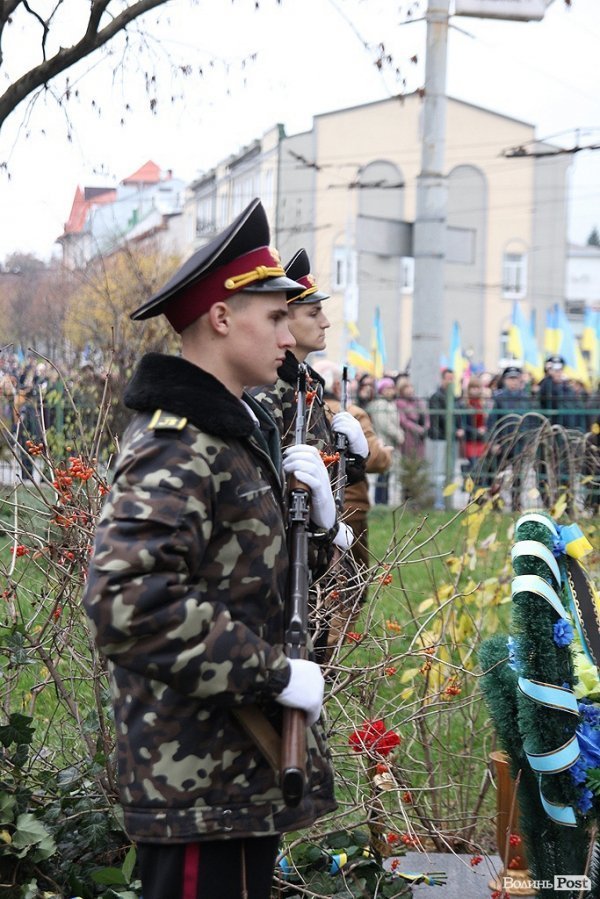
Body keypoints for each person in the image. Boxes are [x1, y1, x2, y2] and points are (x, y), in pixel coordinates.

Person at [82, 200, 336, 899]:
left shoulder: (228, 432)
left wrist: (319, 529)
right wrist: (272, 675)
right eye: (275, 316)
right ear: (222, 318)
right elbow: (126, 600)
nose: (288, 335)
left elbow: (248, 579)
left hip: (230, 773)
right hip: (198, 780)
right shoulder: (178, 441)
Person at [251, 249, 368, 656]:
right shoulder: (269, 392)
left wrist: (353, 462)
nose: (326, 322)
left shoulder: (305, 385)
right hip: (285, 559)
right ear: (285, 318)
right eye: (313, 313)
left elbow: (322, 467)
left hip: (315, 555)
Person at [486, 365, 535, 512]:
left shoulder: (526, 399)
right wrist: (494, 442)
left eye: (515, 378)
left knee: (518, 476)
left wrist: (530, 443)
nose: (513, 382)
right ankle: (495, 503)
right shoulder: (498, 398)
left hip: (520, 443)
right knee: (497, 475)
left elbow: (531, 422)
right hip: (502, 443)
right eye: (510, 379)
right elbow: (492, 422)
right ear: (505, 380)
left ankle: (516, 504)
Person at [426, 368, 464, 510]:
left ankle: (448, 501)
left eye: (452, 379)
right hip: (441, 438)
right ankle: (439, 502)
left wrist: (459, 429)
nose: (450, 381)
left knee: (451, 471)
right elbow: (442, 418)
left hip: (452, 439)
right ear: (442, 379)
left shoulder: (454, 397)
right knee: (440, 471)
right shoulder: (436, 397)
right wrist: (454, 431)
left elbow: (458, 416)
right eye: (448, 378)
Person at [365, 377, 405, 505]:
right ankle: (380, 501)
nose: (390, 391)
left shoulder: (390, 404)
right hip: (384, 441)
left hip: (391, 442)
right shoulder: (380, 405)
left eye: (391, 388)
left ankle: (385, 500)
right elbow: (385, 425)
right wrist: (398, 434)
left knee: (388, 473)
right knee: (383, 472)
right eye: (387, 388)